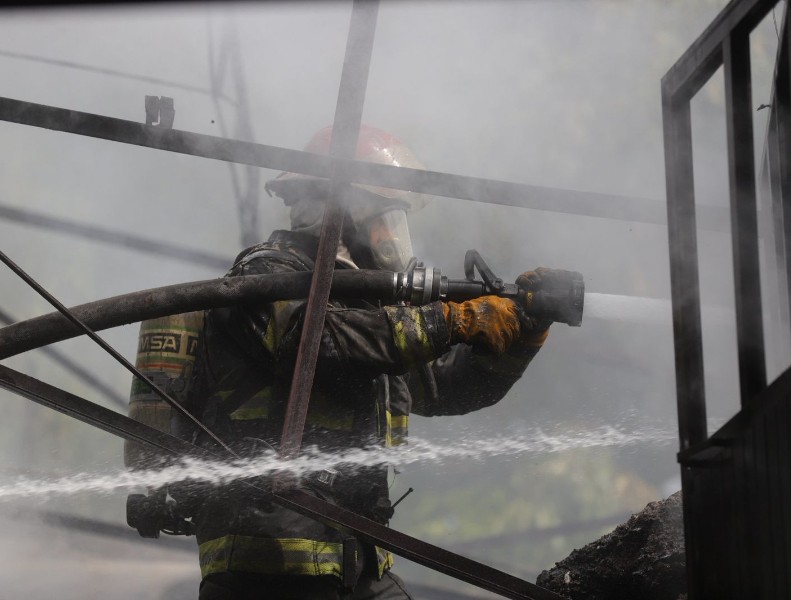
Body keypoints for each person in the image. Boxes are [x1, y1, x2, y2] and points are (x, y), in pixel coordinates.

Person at [179, 125, 552, 600]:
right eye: (386, 216)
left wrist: (524, 334)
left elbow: (449, 388)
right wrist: (451, 322)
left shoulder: (369, 307)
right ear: (344, 212)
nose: (392, 236)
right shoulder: (266, 275)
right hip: (273, 553)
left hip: (357, 552)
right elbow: (315, 341)